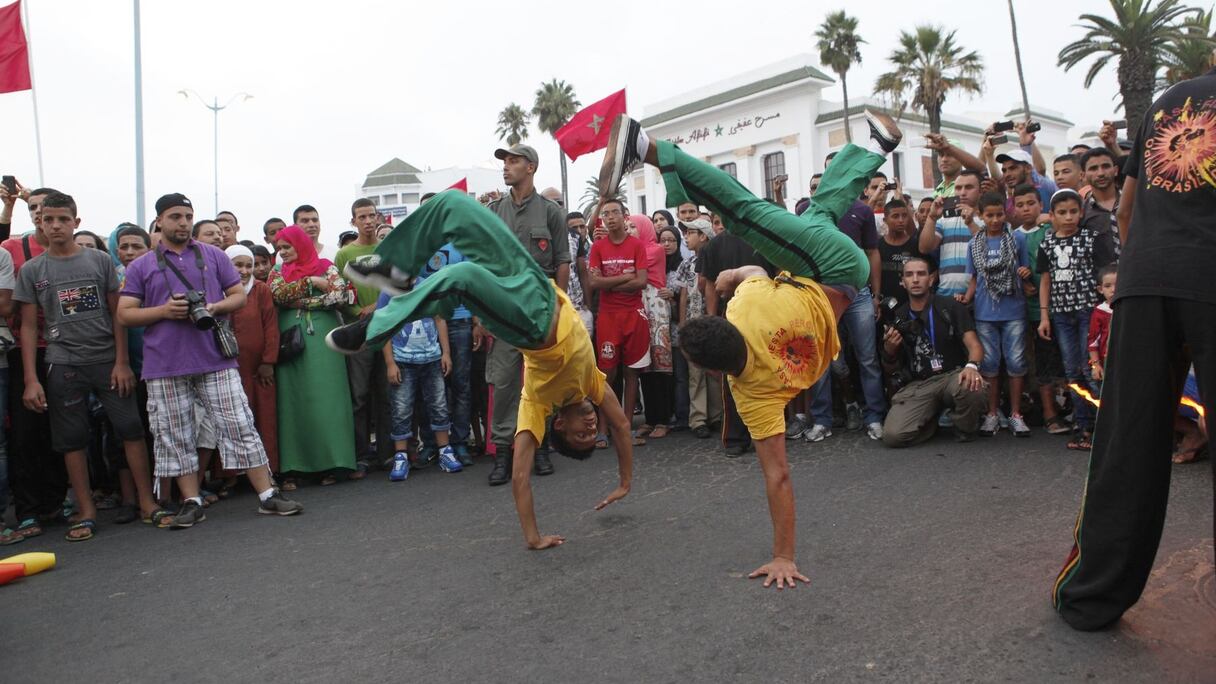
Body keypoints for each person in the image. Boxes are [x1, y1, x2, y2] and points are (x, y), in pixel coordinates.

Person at [598, 109, 899, 587]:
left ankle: (876, 147)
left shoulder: (752, 396)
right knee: (744, 213)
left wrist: (785, 556)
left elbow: (778, 476)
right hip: (830, 266)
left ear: (718, 373)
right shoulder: (745, 309)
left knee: (816, 211)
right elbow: (755, 274)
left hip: (835, 280)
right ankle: (648, 149)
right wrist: (734, 274)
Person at [330, 190, 634, 550]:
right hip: (537, 285)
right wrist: (625, 482)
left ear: (559, 427)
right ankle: (396, 268)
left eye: (580, 435)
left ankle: (373, 329)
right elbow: (621, 424)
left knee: (461, 276)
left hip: (529, 325)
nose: (589, 426)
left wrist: (534, 538)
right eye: (591, 431)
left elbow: (520, 477)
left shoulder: (537, 403)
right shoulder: (592, 385)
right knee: (454, 206)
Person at [1052, 66, 1216, 632]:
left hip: (1144, 279)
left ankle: (1092, 595)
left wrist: (1145, 265)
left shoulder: (1168, 101)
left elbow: (1125, 210)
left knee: (1128, 440)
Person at [117, 193, 302, 529]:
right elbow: (124, 313)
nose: (184, 223)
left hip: (215, 357)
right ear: (160, 221)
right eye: (175, 216)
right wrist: (164, 311)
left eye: (188, 216)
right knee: (174, 433)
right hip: (164, 364)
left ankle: (266, 494)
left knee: (240, 423)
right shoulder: (143, 264)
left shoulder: (214, 256)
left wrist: (214, 308)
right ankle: (191, 500)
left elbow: (239, 295)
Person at [13, 192, 168, 541]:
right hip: (62, 364)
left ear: (76, 222)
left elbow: (119, 314)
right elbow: (28, 326)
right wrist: (30, 380)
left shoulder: (99, 261)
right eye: (48, 219)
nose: (55, 225)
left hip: (107, 363)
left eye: (63, 219)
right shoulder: (33, 270)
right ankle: (85, 510)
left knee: (130, 429)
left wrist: (122, 362)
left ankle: (147, 502)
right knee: (72, 440)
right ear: (39, 222)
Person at [480, 143, 569, 485]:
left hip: (539, 309)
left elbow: (561, 261)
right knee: (502, 382)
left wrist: (559, 307)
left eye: (514, 162)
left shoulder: (551, 212)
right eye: (504, 161)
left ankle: (542, 445)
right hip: (503, 308)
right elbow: (483, 263)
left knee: (541, 379)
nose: (506, 167)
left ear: (530, 167)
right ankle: (502, 453)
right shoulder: (493, 211)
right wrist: (481, 313)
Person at [269, 225, 357, 487]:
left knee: (328, 400)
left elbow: (342, 296)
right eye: (279, 248)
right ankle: (296, 466)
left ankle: (336, 463)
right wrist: (311, 283)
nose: (282, 253)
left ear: (301, 244)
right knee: (293, 402)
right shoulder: (276, 272)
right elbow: (278, 295)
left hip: (324, 340)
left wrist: (303, 300)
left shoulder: (327, 265)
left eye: (287, 247)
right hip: (291, 340)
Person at [2, 186, 66, 541]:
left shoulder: (71, 249)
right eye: (36, 209)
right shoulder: (13, 249)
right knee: (25, 432)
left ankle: (56, 501)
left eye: (51, 210)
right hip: (26, 350)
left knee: (62, 428)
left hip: (66, 349)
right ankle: (27, 509)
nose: (43, 216)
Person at [1036, 189, 1117, 451]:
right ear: (1053, 216)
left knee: (1091, 368)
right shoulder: (1047, 243)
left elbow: (1105, 275)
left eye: (1073, 211)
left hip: (1088, 314)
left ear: (1081, 213)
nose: (1068, 217)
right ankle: (1083, 425)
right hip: (1060, 314)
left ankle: (1104, 425)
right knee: (1071, 370)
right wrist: (1044, 315)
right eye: (1062, 212)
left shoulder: (1091, 239)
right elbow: (1045, 280)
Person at [880, 257, 988, 445]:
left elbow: (975, 346)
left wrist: (971, 367)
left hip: (952, 375)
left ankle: (964, 428)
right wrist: (889, 351)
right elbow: (891, 369)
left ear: (931, 279)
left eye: (921, 274)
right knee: (893, 436)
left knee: (973, 385)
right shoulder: (898, 317)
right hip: (919, 384)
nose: (915, 279)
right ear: (902, 282)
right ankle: (930, 420)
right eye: (909, 275)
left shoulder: (950, 306)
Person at [962, 192, 1033, 436]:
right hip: (984, 312)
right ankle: (991, 414)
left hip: (1014, 310)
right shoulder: (974, 244)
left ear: (1006, 213)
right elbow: (973, 279)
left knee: (1015, 362)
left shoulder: (1017, 239)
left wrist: (1026, 274)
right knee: (990, 365)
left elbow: (1024, 271)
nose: (994, 220)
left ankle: (1015, 414)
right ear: (980, 216)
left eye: (999, 214)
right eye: (989, 215)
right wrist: (966, 298)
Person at [334, 198, 393, 477]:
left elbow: (396, 284)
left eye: (372, 215)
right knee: (358, 396)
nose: (368, 221)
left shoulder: (389, 248)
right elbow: (339, 292)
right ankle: (361, 455)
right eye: (362, 217)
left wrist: (380, 308)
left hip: (388, 329)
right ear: (353, 221)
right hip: (358, 331)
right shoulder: (344, 255)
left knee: (386, 393)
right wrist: (359, 311)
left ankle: (387, 454)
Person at [587, 200, 650, 448]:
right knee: (607, 374)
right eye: (606, 214)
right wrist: (626, 276)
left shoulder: (636, 245)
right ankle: (603, 429)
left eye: (615, 212)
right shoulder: (598, 248)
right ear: (601, 219)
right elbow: (594, 284)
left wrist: (608, 280)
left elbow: (642, 282)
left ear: (625, 216)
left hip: (634, 314)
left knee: (631, 372)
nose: (610, 217)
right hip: (609, 317)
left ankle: (624, 428)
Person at [1012, 184, 1071, 435]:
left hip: (1063, 305)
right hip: (1034, 311)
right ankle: (1049, 414)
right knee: (1043, 361)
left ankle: (1079, 411)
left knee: (1070, 360)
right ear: (1013, 209)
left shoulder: (1049, 229)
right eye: (1021, 204)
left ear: (1041, 205)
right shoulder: (1012, 236)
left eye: (1031, 203)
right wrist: (1021, 279)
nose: (1026, 209)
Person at [381, 308, 459, 480]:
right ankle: (401, 456)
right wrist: (390, 363)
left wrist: (446, 353)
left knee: (439, 405)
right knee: (401, 409)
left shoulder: (429, 285)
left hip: (432, 358)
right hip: (402, 361)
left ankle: (445, 451)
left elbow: (439, 320)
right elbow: (385, 326)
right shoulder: (391, 291)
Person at [226, 245, 280, 475]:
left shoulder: (260, 290)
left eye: (248, 265)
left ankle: (269, 471)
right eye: (238, 265)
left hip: (258, 368)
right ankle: (230, 475)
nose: (245, 270)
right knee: (232, 419)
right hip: (230, 366)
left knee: (264, 417)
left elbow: (270, 326)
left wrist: (268, 361)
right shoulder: (219, 289)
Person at [674, 218, 721, 439]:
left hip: (712, 323)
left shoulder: (717, 260)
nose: (686, 236)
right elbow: (683, 295)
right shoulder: (686, 264)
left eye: (690, 232)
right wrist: (683, 325)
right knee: (696, 373)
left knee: (715, 371)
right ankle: (699, 418)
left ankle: (717, 415)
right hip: (693, 325)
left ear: (703, 236)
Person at [631, 214, 674, 440]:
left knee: (661, 364)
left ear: (643, 228)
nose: (629, 230)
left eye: (633, 226)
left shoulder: (654, 249)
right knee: (645, 365)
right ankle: (650, 419)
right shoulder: (634, 249)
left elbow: (632, 269)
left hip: (655, 306)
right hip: (639, 305)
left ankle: (663, 419)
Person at [920, 169, 983, 299]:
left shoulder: (989, 219)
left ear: (981, 191)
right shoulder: (943, 220)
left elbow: (988, 250)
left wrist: (971, 223)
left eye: (969, 187)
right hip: (946, 295)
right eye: (958, 188)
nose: (963, 192)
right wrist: (931, 218)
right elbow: (925, 248)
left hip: (980, 296)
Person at [876, 199, 921, 306]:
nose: (901, 220)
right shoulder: (877, 246)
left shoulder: (916, 245)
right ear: (885, 220)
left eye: (905, 216)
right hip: (884, 305)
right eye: (895, 216)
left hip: (911, 305)